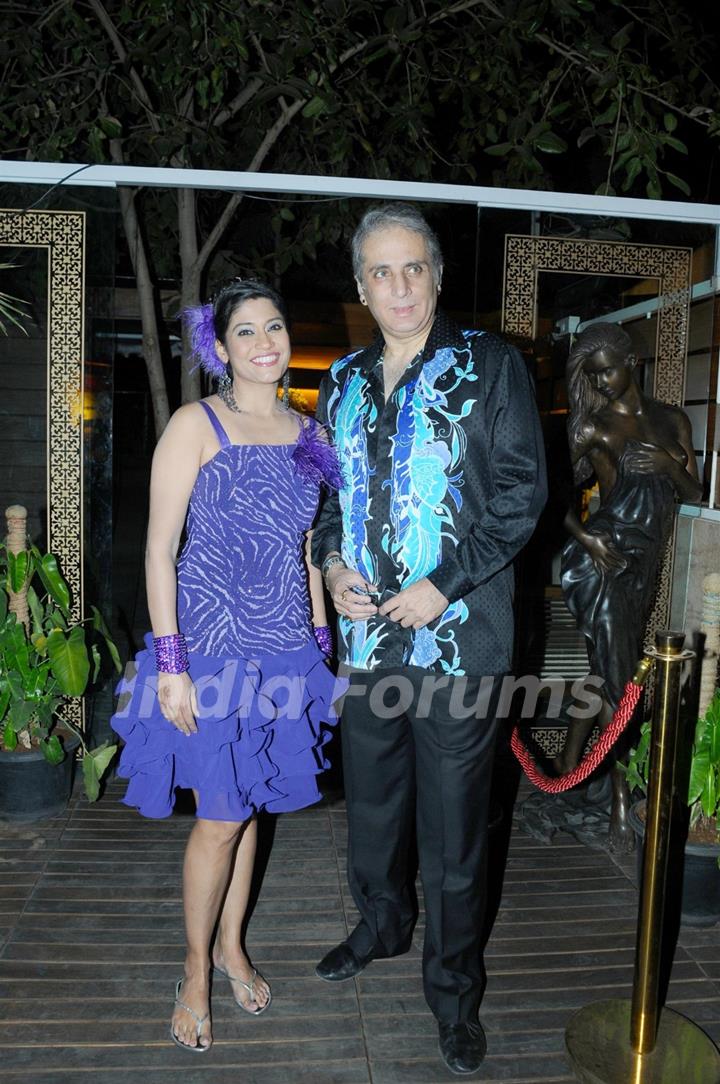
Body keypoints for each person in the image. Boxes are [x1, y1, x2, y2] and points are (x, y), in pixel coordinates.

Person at [311, 203, 547, 1076]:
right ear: (362, 287)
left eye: (414, 267)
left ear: (438, 277)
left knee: (453, 838)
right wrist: (333, 566)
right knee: (371, 814)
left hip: (459, 648)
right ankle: (381, 925)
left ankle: (453, 994)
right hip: (369, 649)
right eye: (381, 271)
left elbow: (521, 494)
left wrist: (442, 584)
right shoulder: (337, 381)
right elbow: (329, 499)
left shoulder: (491, 368)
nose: (399, 284)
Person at [110, 279, 343, 1053]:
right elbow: (157, 549)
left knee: (253, 807)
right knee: (219, 818)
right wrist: (170, 662)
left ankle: (232, 945)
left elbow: (308, 549)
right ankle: (194, 969)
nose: (265, 342)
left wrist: (320, 636)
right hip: (209, 651)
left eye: (274, 326)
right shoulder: (195, 423)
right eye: (247, 331)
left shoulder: (311, 434)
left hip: (284, 649)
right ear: (221, 347)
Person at [557, 321, 701, 845]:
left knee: (605, 670)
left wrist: (669, 463)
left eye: (608, 372)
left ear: (632, 363)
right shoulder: (591, 427)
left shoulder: (671, 420)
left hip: (646, 563)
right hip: (605, 561)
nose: (601, 384)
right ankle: (622, 796)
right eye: (592, 376)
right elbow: (549, 500)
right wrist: (588, 541)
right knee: (620, 682)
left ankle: (569, 764)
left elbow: (694, 494)